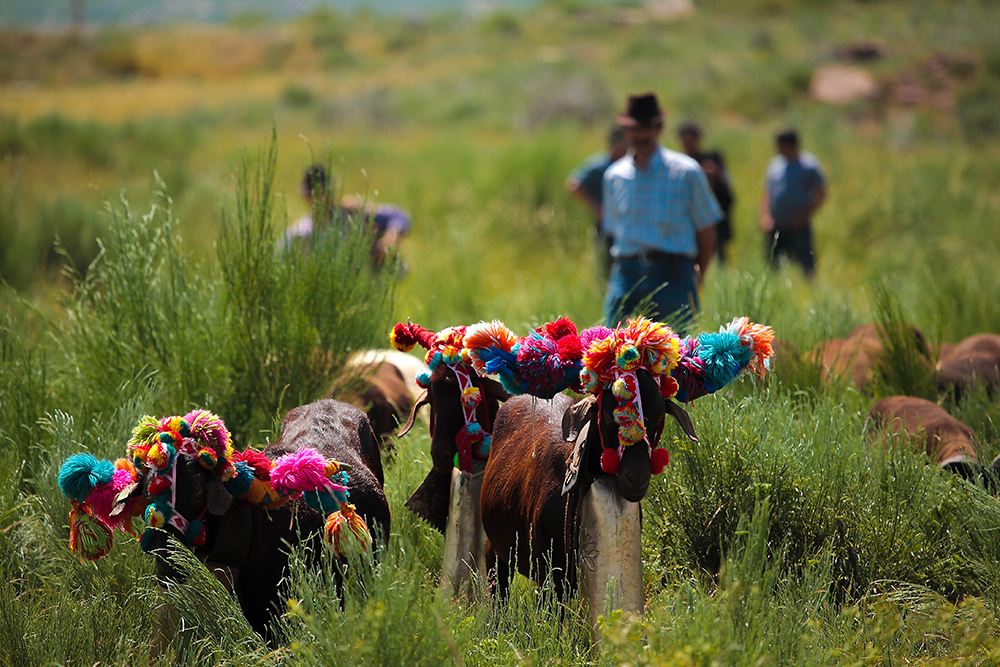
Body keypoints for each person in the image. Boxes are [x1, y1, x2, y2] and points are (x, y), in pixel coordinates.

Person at [601, 92, 721, 332]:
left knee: (674, 358)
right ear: (626, 130)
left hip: (674, 274)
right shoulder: (614, 176)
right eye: (635, 128)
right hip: (626, 274)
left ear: (659, 129)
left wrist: (696, 276)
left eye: (648, 128)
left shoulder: (686, 172)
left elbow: (707, 231)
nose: (641, 135)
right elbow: (612, 232)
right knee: (612, 352)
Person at [285, 163, 410, 272]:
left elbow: (399, 215)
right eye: (314, 194)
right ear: (305, 196)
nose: (320, 199)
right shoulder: (299, 232)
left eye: (323, 192)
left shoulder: (350, 214)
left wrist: (390, 238)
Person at [759, 129, 827, 279]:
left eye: (781, 145)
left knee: (806, 264)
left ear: (791, 145)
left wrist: (803, 217)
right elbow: (767, 192)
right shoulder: (775, 164)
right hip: (776, 225)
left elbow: (821, 194)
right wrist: (765, 216)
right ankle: (776, 292)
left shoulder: (808, 165)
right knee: (772, 265)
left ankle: (809, 292)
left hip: (798, 225)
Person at [565, 126, 629, 275]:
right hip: (607, 223)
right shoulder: (601, 165)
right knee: (607, 264)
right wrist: (597, 208)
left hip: (626, 222)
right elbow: (573, 184)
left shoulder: (629, 165)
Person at [677, 121, 735, 264]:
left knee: (718, 256)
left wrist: (715, 174)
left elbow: (727, 189)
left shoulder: (711, 159)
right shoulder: (679, 164)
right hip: (689, 221)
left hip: (713, 219)